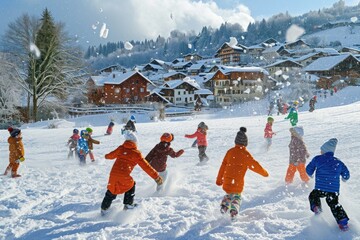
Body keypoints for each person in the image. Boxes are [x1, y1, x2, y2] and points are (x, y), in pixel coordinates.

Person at [100, 132, 163, 215]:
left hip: (113, 174)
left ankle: (104, 208)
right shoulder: (136, 153)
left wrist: (106, 156)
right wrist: (156, 177)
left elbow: (110, 156)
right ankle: (128, 204)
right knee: (131, 184)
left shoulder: (121, 148)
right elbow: (146, 167)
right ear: (135, 142)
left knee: (112, 188)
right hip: (124, 175)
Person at [216, 127, 269, 220]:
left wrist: (219, 179)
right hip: (238, 182)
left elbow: (223, 166)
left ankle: (224, 206)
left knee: (228, 194)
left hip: (227, 181)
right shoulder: (245, 154)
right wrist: (264, 173)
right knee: (236, 196)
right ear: (245, 143)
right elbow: (255, 165)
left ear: (235, 141)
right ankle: (234, 210)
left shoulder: (230, 152)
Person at [306, 138, 350, 231]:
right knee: (334, 204)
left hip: (320, 189)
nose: (320, 152)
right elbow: (346, 174)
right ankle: (343, 222)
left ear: (324, 150)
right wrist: (344, 178)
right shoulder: (338, 162)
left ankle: (316, 207)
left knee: (313, 195)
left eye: (321, 150)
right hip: (333, 191)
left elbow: (308, 169)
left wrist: (310, 174)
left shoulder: (317, 159)